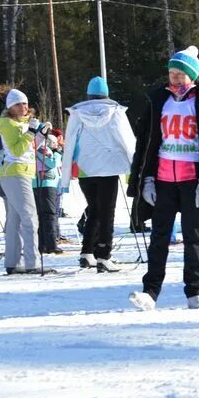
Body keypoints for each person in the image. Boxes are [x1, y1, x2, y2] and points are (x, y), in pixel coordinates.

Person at [128, 45, 199, 310]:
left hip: (192, 181)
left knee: (192, 238)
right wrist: (145, 179)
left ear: (192, 75)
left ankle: (194, 292)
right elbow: (146, 143)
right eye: (172, 72)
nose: (174, 78)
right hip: (163, 179)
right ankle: (150, 292)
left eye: (180, 73)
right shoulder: (158, 101)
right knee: (159, 237)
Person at [60, 76, 137, 272]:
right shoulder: (115, 112)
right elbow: (128, 141)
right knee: (107, 211)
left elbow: (69, 143)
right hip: (109, 168)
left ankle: (87, 252)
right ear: (106, 94)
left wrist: (66, 174)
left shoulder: (77, 114)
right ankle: (104, 254)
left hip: (86, 168)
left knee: (94, 209)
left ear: (89, 94)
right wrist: (134, 167)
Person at [0, 89, 51, 274]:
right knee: (29, 218)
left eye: (25, 103)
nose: (23, 107)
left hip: (22, 173)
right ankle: (32, 262)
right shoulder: (8, 124)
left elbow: (30, 145)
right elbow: (17, 151)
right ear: (10, 107)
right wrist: (31, 133)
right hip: (15, 173)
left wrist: (41, 135)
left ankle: (12, 262)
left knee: (15, 219)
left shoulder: (24, 124)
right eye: (18, 104)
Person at [34, 131, 62, 255]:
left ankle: (43, 244)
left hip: (42, 184)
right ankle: (50, 244)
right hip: (45, 184)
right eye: (55, 143)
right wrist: (58, 154)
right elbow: (52, 163)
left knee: (42, 214)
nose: (56, 145)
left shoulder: (40, 148)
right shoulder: (43, 149)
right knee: (49, 214)